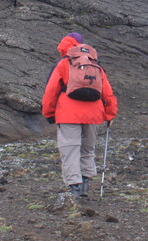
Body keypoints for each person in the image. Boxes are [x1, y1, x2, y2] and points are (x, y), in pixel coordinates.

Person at [40, 31, 117, 205]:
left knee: (70, 150)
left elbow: (51, 91)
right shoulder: (94, 63)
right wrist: (110, 114)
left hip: (68, 113)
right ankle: (85, 187)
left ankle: (74, 189)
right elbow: (107, 92)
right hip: (94, 113)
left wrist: (49, 113)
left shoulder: (63, 63)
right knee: (87, 150)